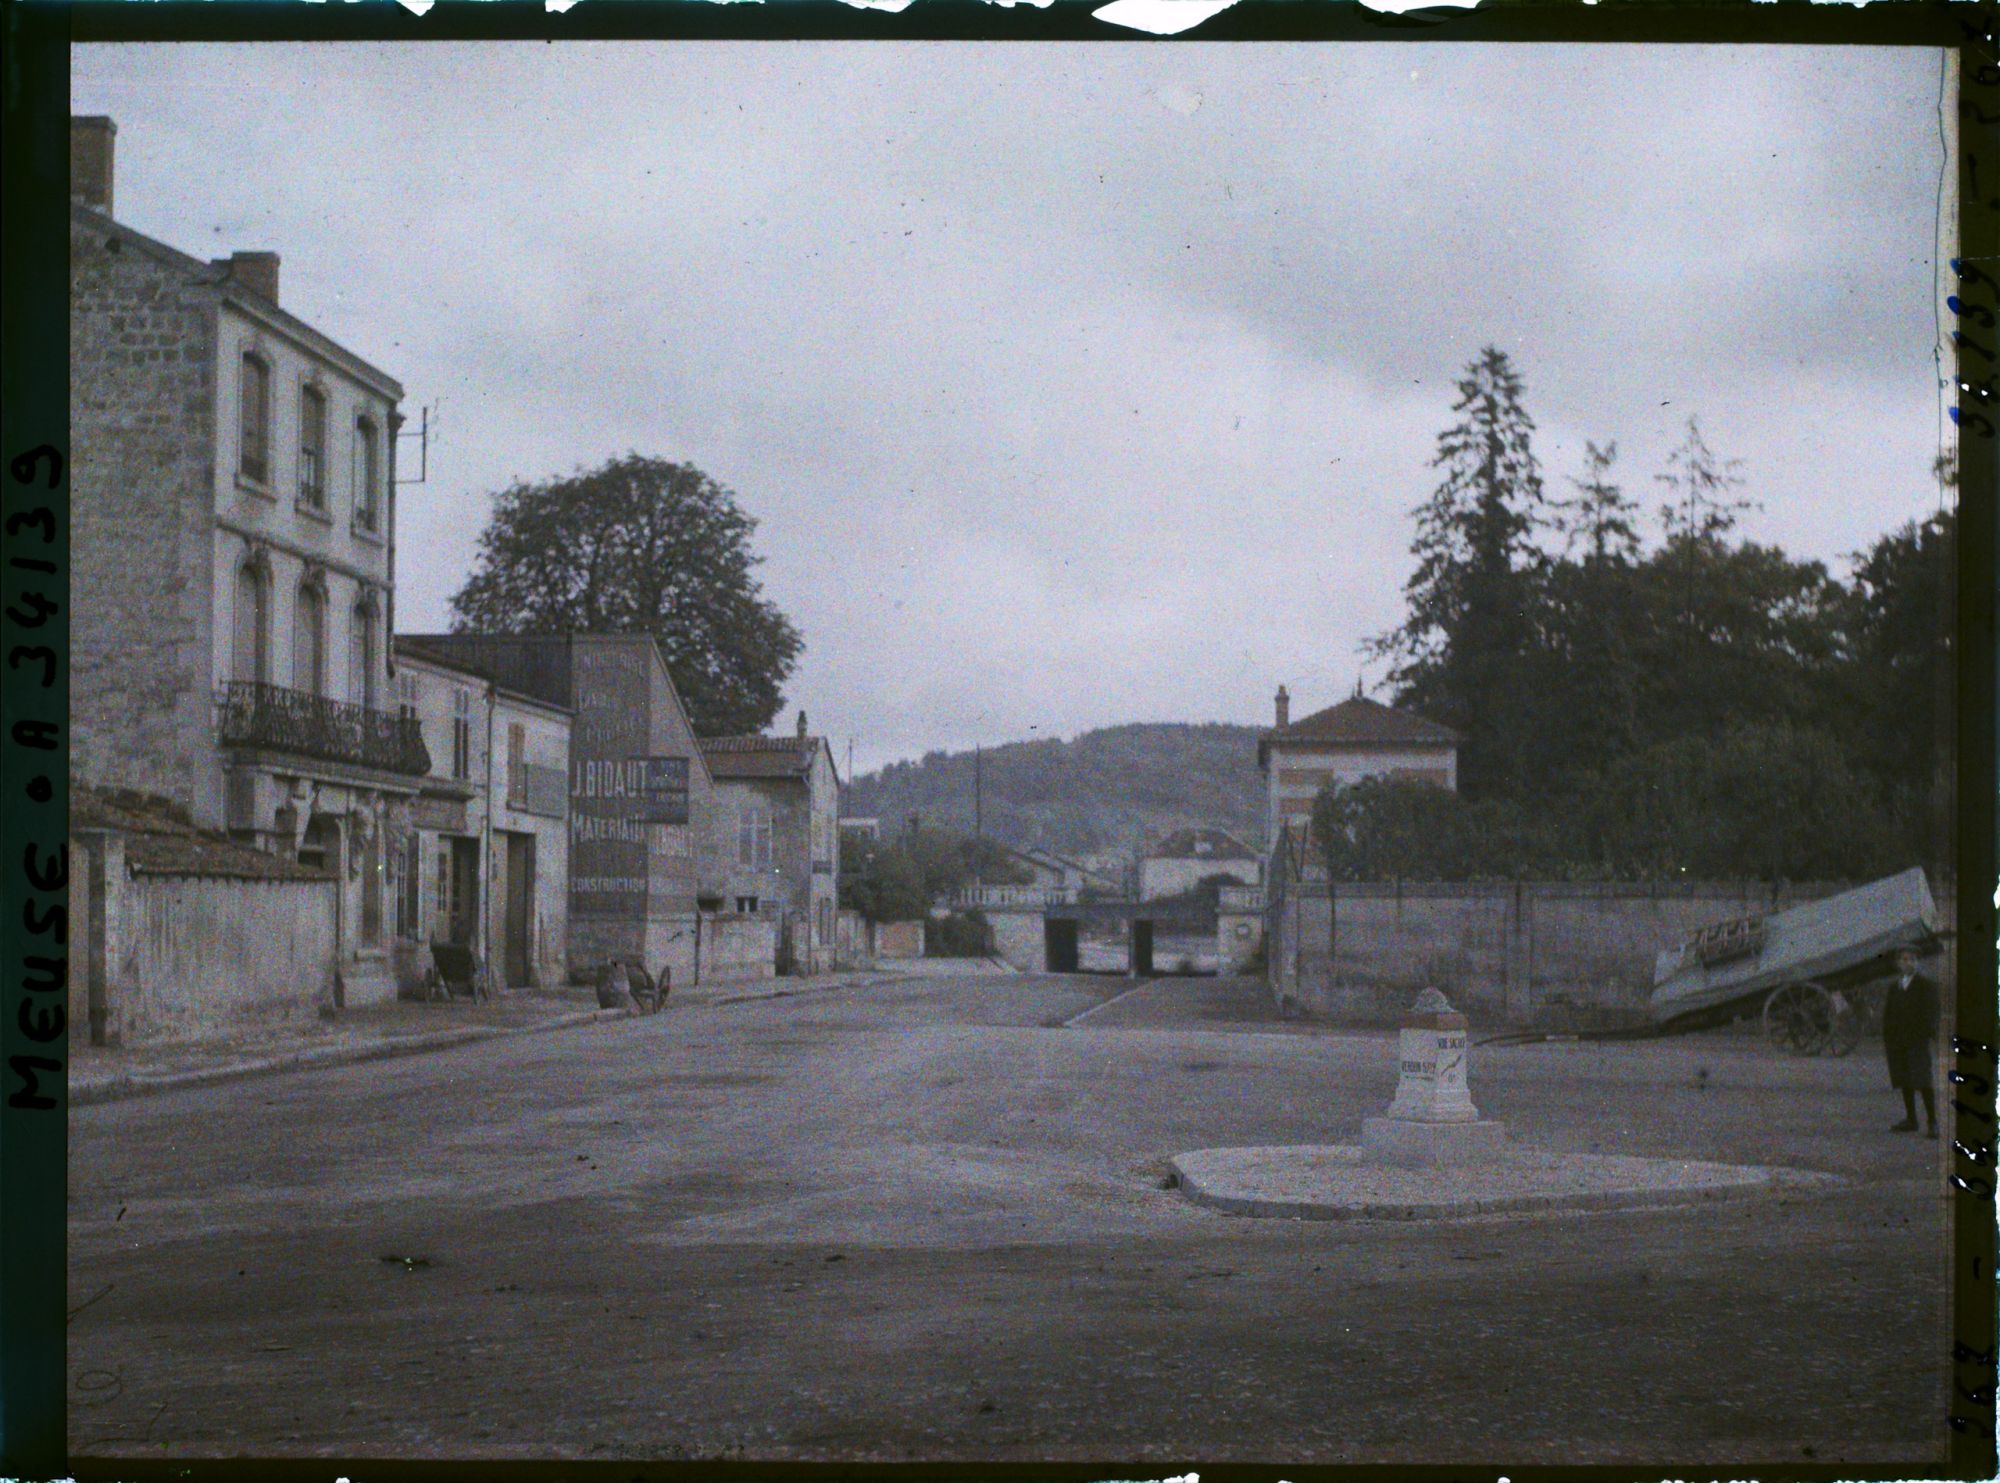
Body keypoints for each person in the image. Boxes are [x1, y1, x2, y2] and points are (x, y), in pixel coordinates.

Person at [1880, 946, 1940, 1138]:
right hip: (1898, 1041)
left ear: (1918, 962)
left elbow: (1932, 1013)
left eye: (1913, 959)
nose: (1909, 963)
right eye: (1905, 960)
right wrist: (1888, 1036)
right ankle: (1911, 1119)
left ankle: (1932, 1122)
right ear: (1898, 963)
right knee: (1904, 1078)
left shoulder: (1926, 985)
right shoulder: (1895, 986)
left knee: (1922, 1080)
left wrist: (1927, 1034)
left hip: (1917, 1040)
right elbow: (1888, 1014)